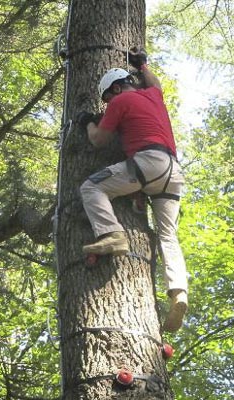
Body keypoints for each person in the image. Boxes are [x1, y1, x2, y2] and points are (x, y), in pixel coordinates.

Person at [77, 49, 188, 332]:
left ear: (116, 88)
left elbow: (99, 140)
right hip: (173, 172)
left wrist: (88, 122)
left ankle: (112, 235)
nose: (108, 104)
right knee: (168, 235)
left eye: (107, 98)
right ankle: (178, 292)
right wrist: (143, 65)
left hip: (147, 164)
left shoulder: (122, 99)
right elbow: (155, 83)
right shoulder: (152, 95)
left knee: (91, 187)